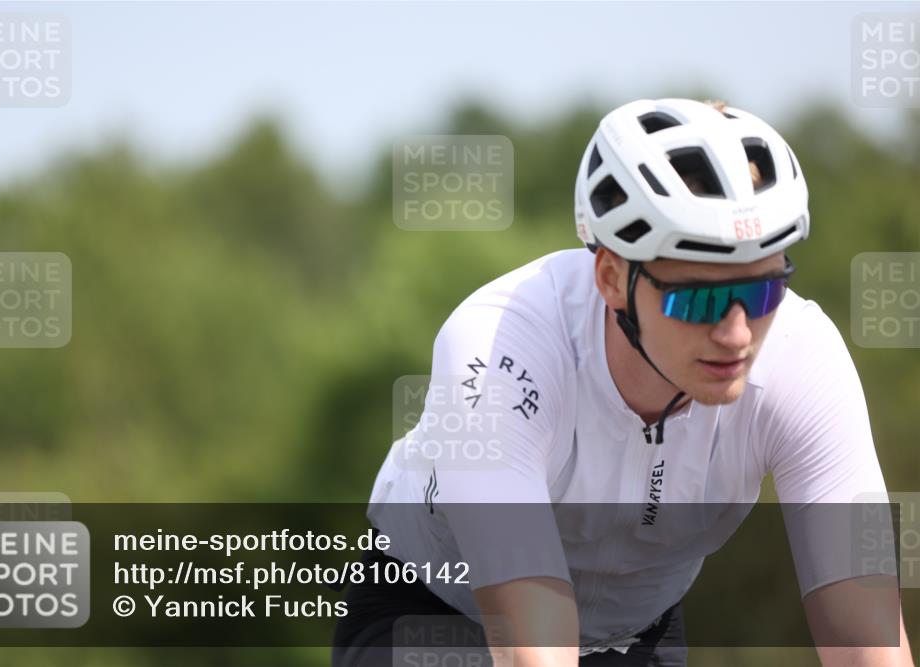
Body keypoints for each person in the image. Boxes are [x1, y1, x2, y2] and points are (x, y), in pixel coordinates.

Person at [331, 99, 914, 666]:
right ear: (612, 278)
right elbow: (532, 646)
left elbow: (867, 641)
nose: (737, 333)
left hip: (636, 631)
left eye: (764, 291)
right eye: (701, 299)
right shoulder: (499, 345)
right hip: (436, 610)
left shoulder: (803, 356)